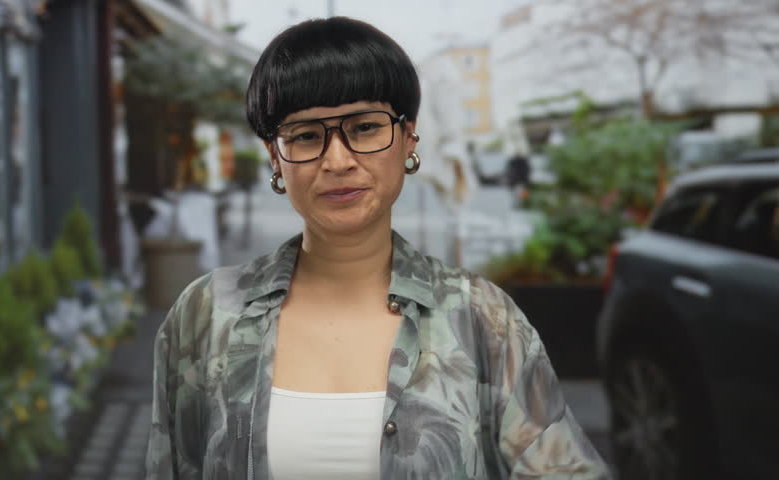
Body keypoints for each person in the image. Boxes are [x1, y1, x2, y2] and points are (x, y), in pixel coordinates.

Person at [146, 17, 609, 480]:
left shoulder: (479, 317)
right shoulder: (207, 314)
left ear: (408, 138)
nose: (338, 160)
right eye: (306, 135)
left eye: (364, 128)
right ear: (275, 156)